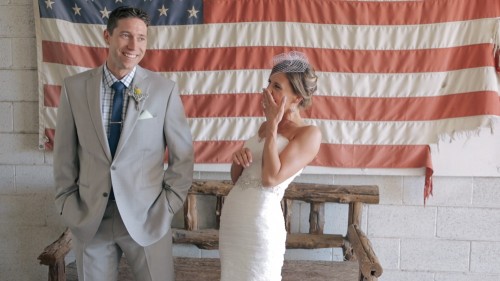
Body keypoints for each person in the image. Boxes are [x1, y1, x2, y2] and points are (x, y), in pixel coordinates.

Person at [52, 6, 194, 281]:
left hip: (148, 220)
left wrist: (164, 209)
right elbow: (64, 158)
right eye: (126, 35)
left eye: (141, 38)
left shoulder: (163, 90)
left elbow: (183, 159)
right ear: (107, 35)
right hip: (91, 220)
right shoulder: (75, 88)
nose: (134, 45)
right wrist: (69, 207)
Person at [219, 51, 322, 281]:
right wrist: (239, 157)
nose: (267, 91)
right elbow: (239, 179)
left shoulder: (308, 134)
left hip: (260, 225)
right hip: (234, 221)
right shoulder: (263, 128)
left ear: (296, 98)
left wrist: (274, 125)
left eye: (276, 86)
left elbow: (270, 179)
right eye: (269, 83)